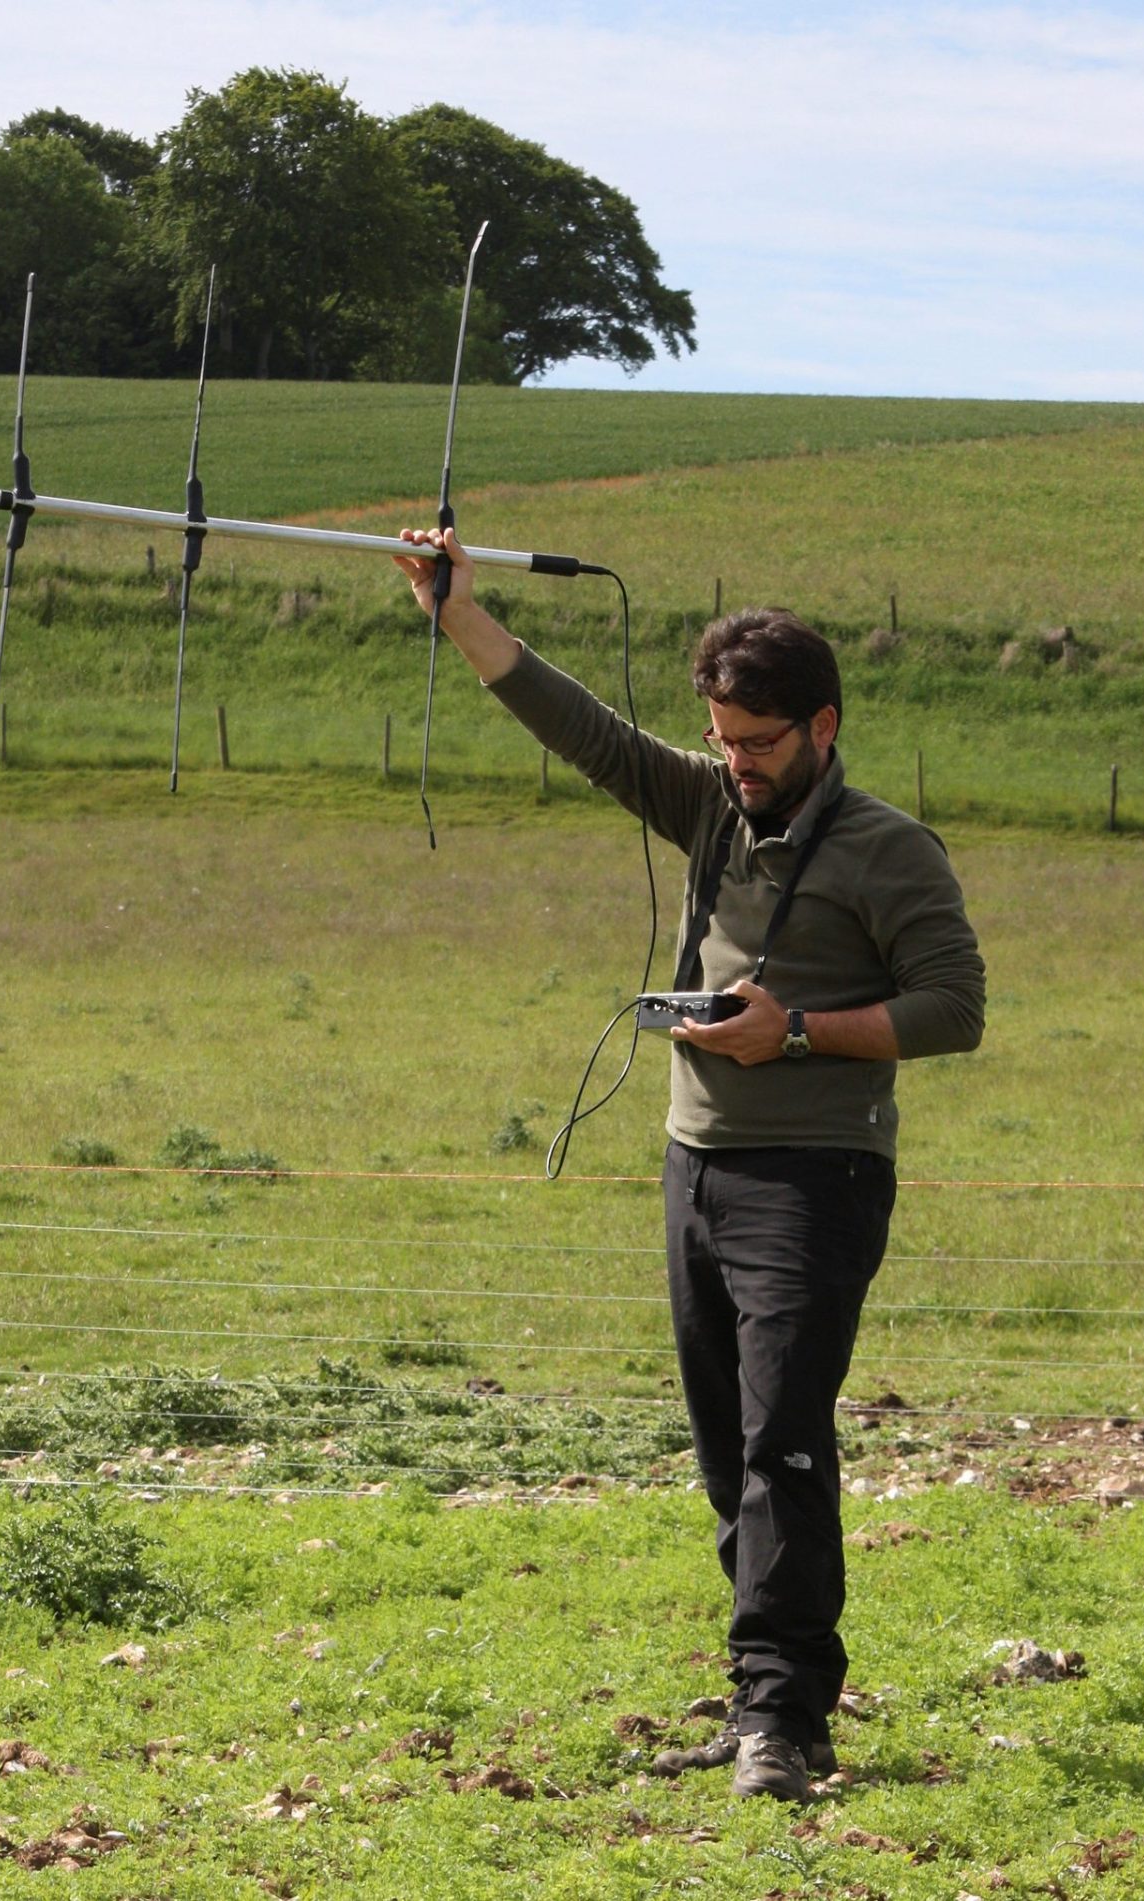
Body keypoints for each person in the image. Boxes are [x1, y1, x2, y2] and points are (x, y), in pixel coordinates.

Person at [395, 530, 986, 1802]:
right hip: (694, 1167)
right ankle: (762, 1700)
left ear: (821, 725)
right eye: (722, 741)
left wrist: (805, 1030)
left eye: (760, 745)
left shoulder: (893, 851)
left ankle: (786, 1715)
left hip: (816, 1176)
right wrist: (459, 613)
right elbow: (587, 731)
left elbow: (956, 1006)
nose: (737, 766)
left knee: (784, 1443)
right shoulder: (708, 803)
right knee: (728, 1449)